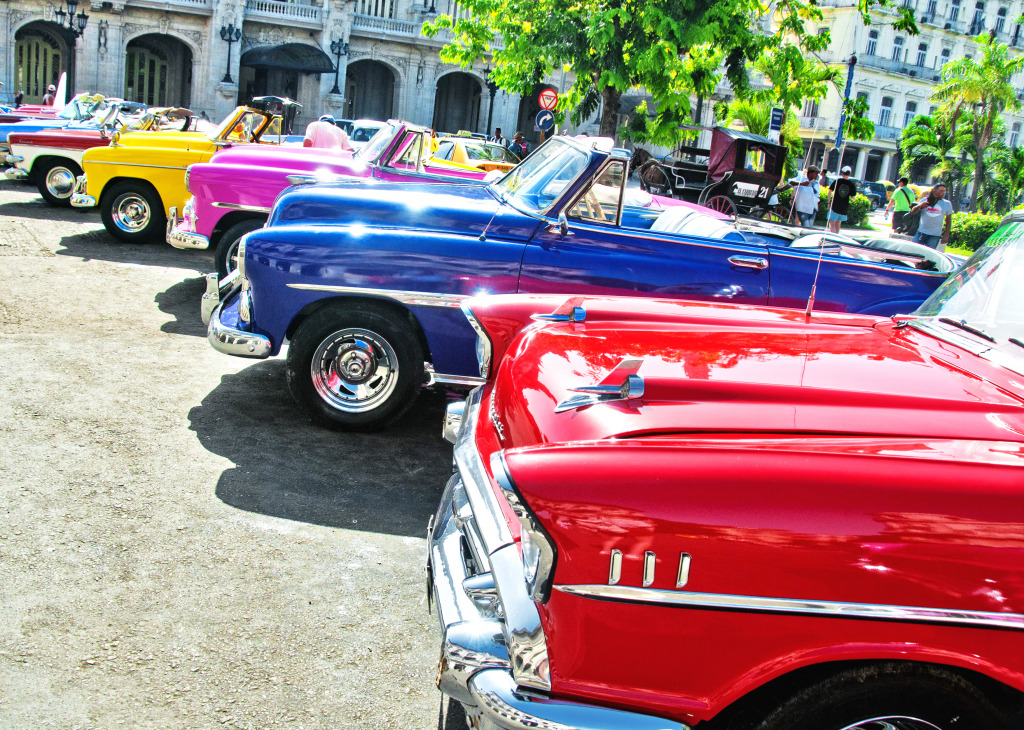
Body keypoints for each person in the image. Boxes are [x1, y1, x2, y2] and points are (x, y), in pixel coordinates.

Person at [911, 183, 954, 250]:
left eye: (944, 191)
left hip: (935, 235)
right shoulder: (925, 200)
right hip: (921, 232)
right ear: (934, 191)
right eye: (941, 191)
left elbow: (948, 221)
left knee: (929, 255)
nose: (943, 193)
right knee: (914, 251)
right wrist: (920, 206)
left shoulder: (947, 204)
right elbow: (913, 211)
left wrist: (946, 235)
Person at [827, 165, 857, 233]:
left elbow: (829, 192)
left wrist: (828, 203)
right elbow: (853, 198)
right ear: (849, 174)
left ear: (842, 173)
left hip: (834, 205)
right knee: (838, 224)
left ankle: (833, 238)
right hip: (844, 207)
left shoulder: (837, 181)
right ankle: (837, 238)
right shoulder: (851, 184)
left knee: (832, 224)